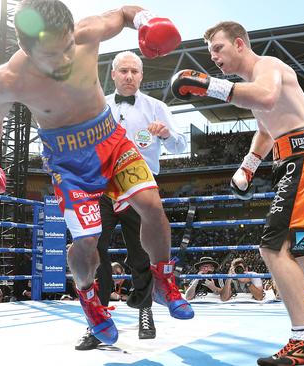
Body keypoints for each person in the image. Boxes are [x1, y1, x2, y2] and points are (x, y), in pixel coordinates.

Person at [0, 0, 192, 346]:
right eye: (53, 54)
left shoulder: (86, 34)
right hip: (69, 164)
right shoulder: (9, 79)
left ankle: (164, 279)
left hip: (112, 141)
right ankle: (89, 299)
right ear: (25, 47)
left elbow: (123, 13)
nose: (64, 59)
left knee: (153, 207)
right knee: (88, 242)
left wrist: (147, 20)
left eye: (66, 47)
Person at [171, 21, 304, 365]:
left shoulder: (267, 66)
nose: (213, 58)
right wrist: (248, 167)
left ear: (239, 44)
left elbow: (266, 97)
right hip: (295, 160)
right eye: (210, 53)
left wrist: (210, 86)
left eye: (218, 48)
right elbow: (266, 130)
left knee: (272, 247)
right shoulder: (252, 83)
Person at [76, 50, 188, 350]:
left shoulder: (157, 107)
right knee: (93, 250)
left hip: (140, 187)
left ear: (142, 75)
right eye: (123, 71)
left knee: (142, 254)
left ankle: (145, 308)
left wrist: (165, 134)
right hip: (100, 185)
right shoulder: (96, 106)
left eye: (134, 71)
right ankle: (96, 323)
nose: (129, 76)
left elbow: (180, 145)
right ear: (112, 74)